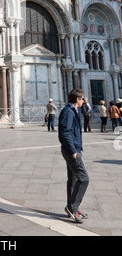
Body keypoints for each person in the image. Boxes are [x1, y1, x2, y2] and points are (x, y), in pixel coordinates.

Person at [58, 88, 89, 223]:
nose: (84, 101)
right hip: (72, 151)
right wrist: (73, 151)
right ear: (77, 99)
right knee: (84, 178)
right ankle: (73, 208)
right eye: (82, 99)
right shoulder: (68, 112)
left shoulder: (73, 110)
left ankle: (72, 208)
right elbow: (65, 132)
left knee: (74, 179)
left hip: (74, 149)